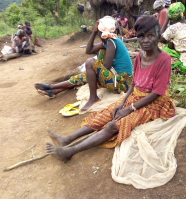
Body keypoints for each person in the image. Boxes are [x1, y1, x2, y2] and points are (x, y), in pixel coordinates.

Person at [45, 15, 175, 162]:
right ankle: (66, 139)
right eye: (141, 36)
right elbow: (134, 84)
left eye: (150, 36)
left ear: (158, 36)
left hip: (153, 103)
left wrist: (129, 108)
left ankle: (70, 152)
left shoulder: (164, 59)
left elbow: (157, 93)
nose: (145, 40)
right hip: (136, 97)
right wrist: (122, 103)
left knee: (113, 125)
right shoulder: (140, 55)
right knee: (107, 113)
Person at [35, 16, 133, 111]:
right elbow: (89, 50)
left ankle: (93, 98)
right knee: (90, 72)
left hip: (122, 84)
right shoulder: (107, 42)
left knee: (90, 63)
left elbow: (106, 67)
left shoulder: (111, 42)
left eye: (97, 31)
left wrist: (94, 72)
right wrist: (94, 33)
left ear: (101, 31)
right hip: (116, 79)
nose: (97, 33)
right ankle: (54, 89)